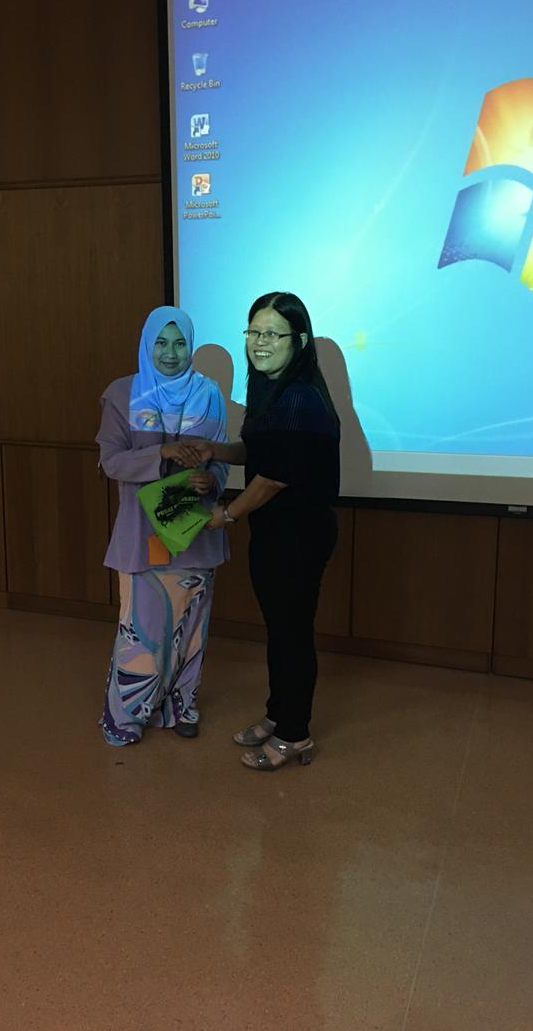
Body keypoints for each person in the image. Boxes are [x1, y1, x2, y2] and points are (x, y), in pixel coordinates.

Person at [202, 292, 340, 771]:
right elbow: (258, 451)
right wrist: (215, 451)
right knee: (280, 631)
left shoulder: (300, 397)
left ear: (298, 340)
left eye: (272, 334)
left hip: (299, 535)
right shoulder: (271, 389)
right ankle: (278, 715)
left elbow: (273, 477)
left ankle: (295, 735)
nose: (259, 342)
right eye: (254, 332)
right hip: (275, 532)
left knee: (292, 633)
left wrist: (226, 515)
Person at [96, 306, 229, 746]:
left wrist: (212, 479)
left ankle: (182, 706)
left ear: (190, 347)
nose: (170, 353)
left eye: (180, 343)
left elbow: (221, 458)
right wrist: (163, 454)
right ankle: (128, 715)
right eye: (161, 343)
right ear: (146, 344)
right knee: (142, 631)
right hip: (143, 536)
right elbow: (112, 461)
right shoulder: (123, 394)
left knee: (191, 629)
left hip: (194, 535)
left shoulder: (209, 393)